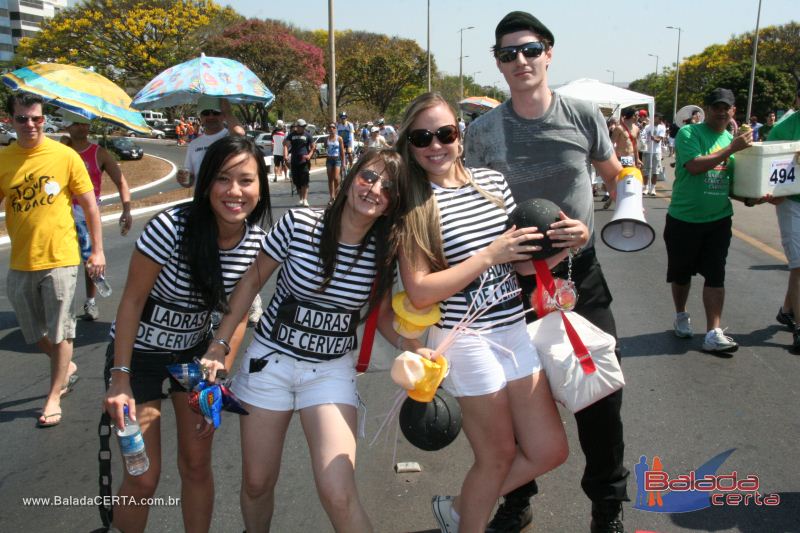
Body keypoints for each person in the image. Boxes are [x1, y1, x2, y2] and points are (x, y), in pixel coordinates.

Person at [464, 11, 629, 532]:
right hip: (510, 286)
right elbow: (467, 201)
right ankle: (516, 501)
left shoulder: (582, 115)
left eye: (530, 49)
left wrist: (594, 222)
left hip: (578, 277)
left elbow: (614, 177)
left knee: (598, 398)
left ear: (549, 53)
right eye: (509, 53)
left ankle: (607, 509)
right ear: (498, 63)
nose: (521, 61)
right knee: (518, 405)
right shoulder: (483, 133)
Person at [200, 149, 410, 533]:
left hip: (329, 373)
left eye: (387, 186)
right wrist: (220, 344)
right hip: (270, 364)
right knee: (257, 482)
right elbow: (250, 282)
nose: (374, 188)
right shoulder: (298, 223)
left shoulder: (385, 252)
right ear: (350, 179)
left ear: (392, 202)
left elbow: (382, 318)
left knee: (338, 491)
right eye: (368, 177)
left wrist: (418, 353)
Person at [397, 92, 569, 532]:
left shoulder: (492, 183)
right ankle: (467, 520)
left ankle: (459, 511)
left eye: (445, 133)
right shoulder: (414, 204)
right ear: (409, 145)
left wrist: (570, 243)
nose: (435, 145)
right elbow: (419, 292)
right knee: (496, 456)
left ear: (460, 132)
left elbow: (520, 264)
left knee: (550, 449)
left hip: (511, 327)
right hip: (464, 337)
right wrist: (490, 254)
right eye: (422, 137)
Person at [103, 136, 272, 533]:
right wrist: (120, 377)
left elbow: (238, 314)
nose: (234, 192)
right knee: (143, 474)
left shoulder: (258, 247)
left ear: (261, 186)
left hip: (194, 359)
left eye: (246, 181)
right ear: (206, 183)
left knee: (197, 464)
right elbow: (131, 301)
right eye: (223, 179)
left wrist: (218, 375)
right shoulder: (170, 227)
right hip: (137, 357)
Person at [0, 91, 105, 427]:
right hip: (20, 260)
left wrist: (97, 251)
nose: (31, 124)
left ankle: (53, 395)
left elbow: (89, 205)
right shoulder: (4, 160)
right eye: (22, 118)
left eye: (37, 118)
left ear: (44, 119)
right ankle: (67, 366)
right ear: (10, 119)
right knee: (33, 333)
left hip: (60, 257)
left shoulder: (64, 156)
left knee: (62, 332)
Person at [666, 87, 761, 355]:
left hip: (718, 219)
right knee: (681, 274)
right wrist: (732, 148)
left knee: (716, 275)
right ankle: (681, 314)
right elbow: (695, 166)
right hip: (684, 219)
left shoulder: (733, 140)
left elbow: (731, 183)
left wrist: (753, 197)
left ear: (733, 111)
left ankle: (713, 332)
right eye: (716, 107)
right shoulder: (689, 133)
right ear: (706, 109)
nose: (721, 112)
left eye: (726, 108)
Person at [61, 114, 133, 321]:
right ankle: (60, 304)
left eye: (84, 123)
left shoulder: (98, 153)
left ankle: (90, 301)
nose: (82, 127)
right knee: (61, 261)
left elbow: (121, 181)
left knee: (90, 259)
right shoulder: (60, 153)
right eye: (76, 123)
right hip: (61, 212)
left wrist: (126, 209)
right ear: (67, 126)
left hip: (87, 213)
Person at [769, 85, 800, 352]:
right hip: (792, 202)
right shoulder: (784, 127)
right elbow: (770, 166)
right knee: (799, 265)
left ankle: (788, 311)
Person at [177, 97, 245, 189]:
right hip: (202, 198)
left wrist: (228, 112)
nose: (211, 116)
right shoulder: (194, 144)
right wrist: (183, 180)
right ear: (200, 116)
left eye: (216, 113)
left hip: (227, 196)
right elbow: (190, 180)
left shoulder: (230, 137)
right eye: (206, 113)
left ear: (223, 115)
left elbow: (239, 133)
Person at [284, 118, 316, 207]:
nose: (302, 128)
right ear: (297, 126)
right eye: (301, 126)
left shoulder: (308, 135)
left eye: (303, 126)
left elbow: (313, 147)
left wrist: (309, 155)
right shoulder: (291, 135)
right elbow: (286, 146)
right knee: (297, 181)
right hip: (294, 161)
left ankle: (305, 199)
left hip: (304, 161)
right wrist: (285, 156)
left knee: (304, 181)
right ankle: (301, 199)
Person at [641, 113, 666, 196]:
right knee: (646, 170)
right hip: (647, 151)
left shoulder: (662, 127)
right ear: (654, 118)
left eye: (661, 119)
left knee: (655, 171)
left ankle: (653, 188)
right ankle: (645, 187)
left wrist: (653, 137)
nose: (660, 120)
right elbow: (643, 137)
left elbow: (659, 139)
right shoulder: (648, 127)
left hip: (656, 152)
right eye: (659, 118)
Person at [325, 122, 346, 201]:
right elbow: (325, 148)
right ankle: (332, 196)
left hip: (337, 159)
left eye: (333, 127)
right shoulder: (326, 139)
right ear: (328, 129)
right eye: (330, 127)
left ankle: (337, 195)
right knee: (330, 179)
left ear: (335, 129)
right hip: (329, 159)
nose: (331, 129)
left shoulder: (339, 138)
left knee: (336, 178)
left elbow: (342, 151)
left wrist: (343, 162)